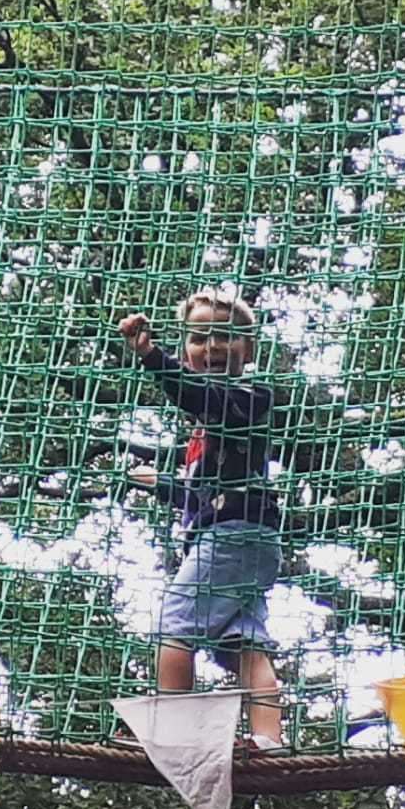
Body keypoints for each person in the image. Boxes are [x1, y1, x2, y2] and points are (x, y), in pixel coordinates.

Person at [118, 288, 285, 750]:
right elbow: (201, 495)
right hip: (246, 538)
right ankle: (268, 738)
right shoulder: (206, 425)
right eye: (199, 337)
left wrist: (152, 355)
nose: (211, 346)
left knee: (176, 622)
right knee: (244, 640)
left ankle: (174, 735)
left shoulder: (249, 396)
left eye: (225, 336)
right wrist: (164, 484)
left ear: (247, 349)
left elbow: (196, 395)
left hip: (233, 536)